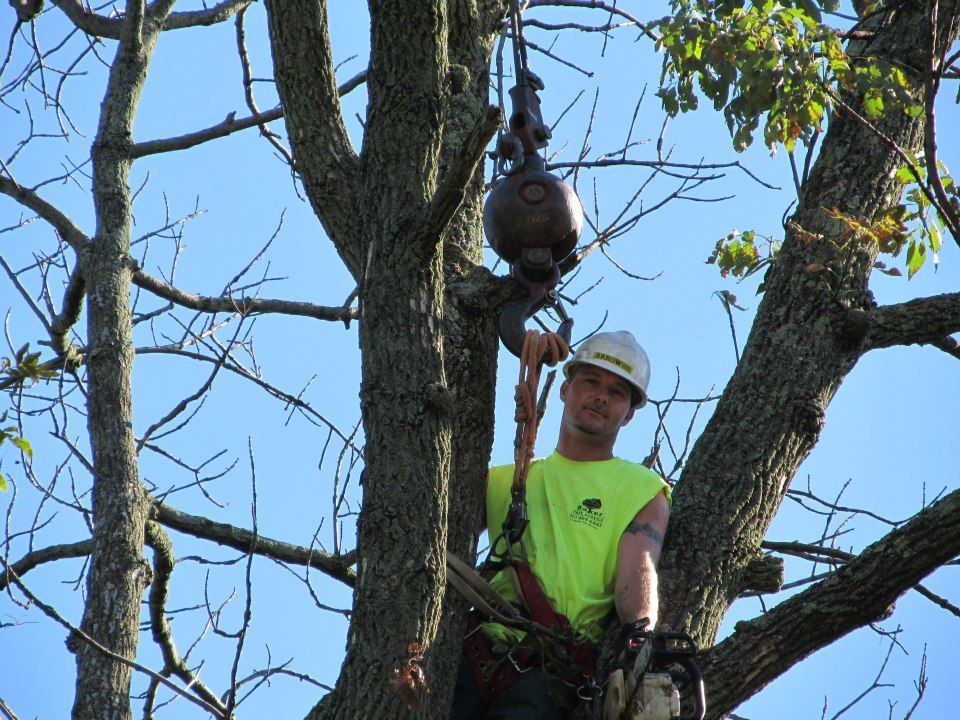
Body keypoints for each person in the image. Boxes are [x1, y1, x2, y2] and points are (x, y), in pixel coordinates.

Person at [450, 330, 671, 720]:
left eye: (617, 392)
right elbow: (438, 530)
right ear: (565, 389)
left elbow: (639, 567)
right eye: (591, 381)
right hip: (470, 655)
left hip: (549, 673)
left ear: (629, 414)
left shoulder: (641, 489)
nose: (601, 396)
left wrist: (641, 639)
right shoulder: (506, 480)